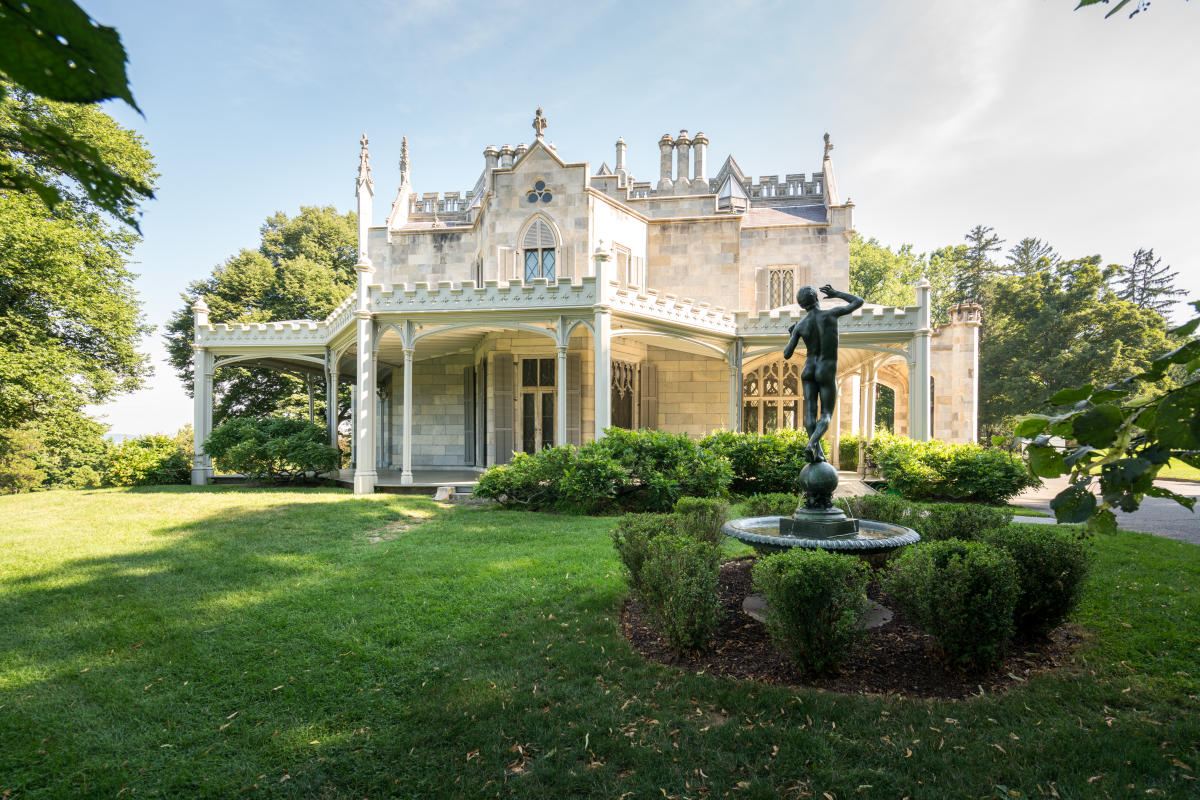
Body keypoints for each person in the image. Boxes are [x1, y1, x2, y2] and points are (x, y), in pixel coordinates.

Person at [782, 284, 864, 463]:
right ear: (816, 298)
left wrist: (792, 335)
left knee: (810, 413)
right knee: (826, 413)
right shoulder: (830, 314)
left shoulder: (800, 326)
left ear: (802, 305)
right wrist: (836, 293)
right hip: (825, 370)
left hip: (808, 369)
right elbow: (858, 301)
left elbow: (786, 354)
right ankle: (812, 445)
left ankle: (817, 453)